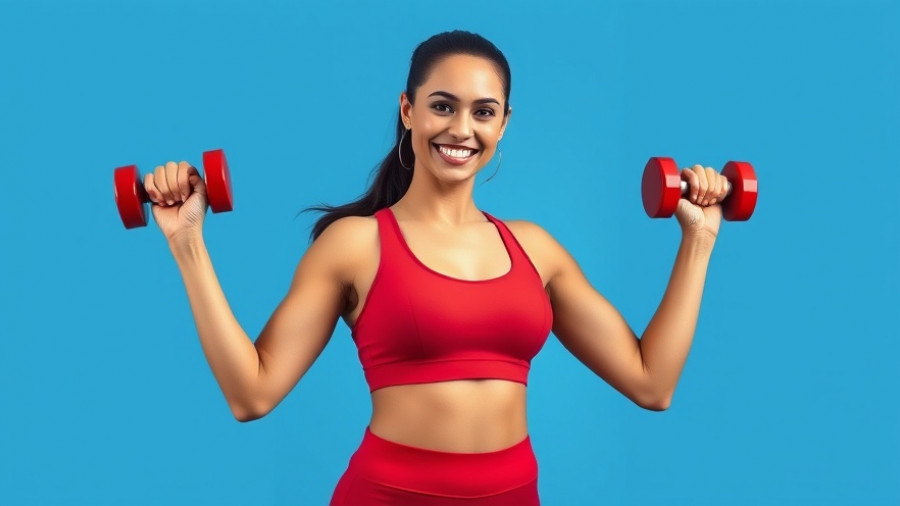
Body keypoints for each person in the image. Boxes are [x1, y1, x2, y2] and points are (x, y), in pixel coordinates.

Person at [144, 30, 728, 505]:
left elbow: (652, 383)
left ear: (503, 125)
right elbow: (252, 394)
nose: (461, 129)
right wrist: (188, 242)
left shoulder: (536, 249)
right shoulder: (356, 245)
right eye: (442, 106)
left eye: (484, 112)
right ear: (408, 110)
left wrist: (698, 240)